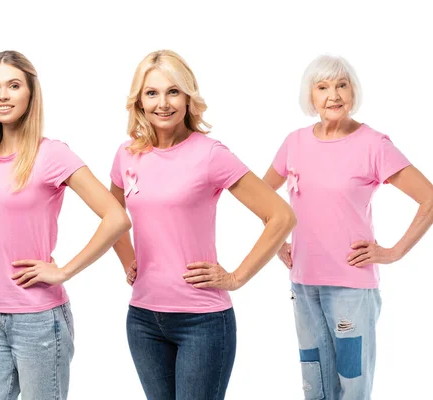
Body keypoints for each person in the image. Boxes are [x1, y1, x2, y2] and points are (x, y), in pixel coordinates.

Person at [110, 50, 296, 400]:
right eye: (152, 93)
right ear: (139, 101)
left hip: (202, 321)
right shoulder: (126, 154)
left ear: (188, 97)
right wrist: (127, 259)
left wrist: (236, 277)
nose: (163, 103)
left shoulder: (210, 154)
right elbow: (112, 215)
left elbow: (282, 215)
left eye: (173, 91)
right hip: (143, 319)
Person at [263, 54, 433, 400]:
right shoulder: (295, 142)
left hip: (351, 285)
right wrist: (277, 245)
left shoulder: (373, 144)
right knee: (314, 381)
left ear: (353, 91)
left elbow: (432, 200)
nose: (333, 95)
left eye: (341, 85)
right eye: (323, 87)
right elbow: (260, 196)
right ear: (311, 96)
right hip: (303, 282)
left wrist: (392, 252)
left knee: (352, 383)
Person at [0, 50, 131, 399]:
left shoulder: (52, 154)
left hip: (38, 320)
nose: (2, 95)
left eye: (13, 85)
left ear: (30, 93)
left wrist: (65, 271)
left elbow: (116, 216)